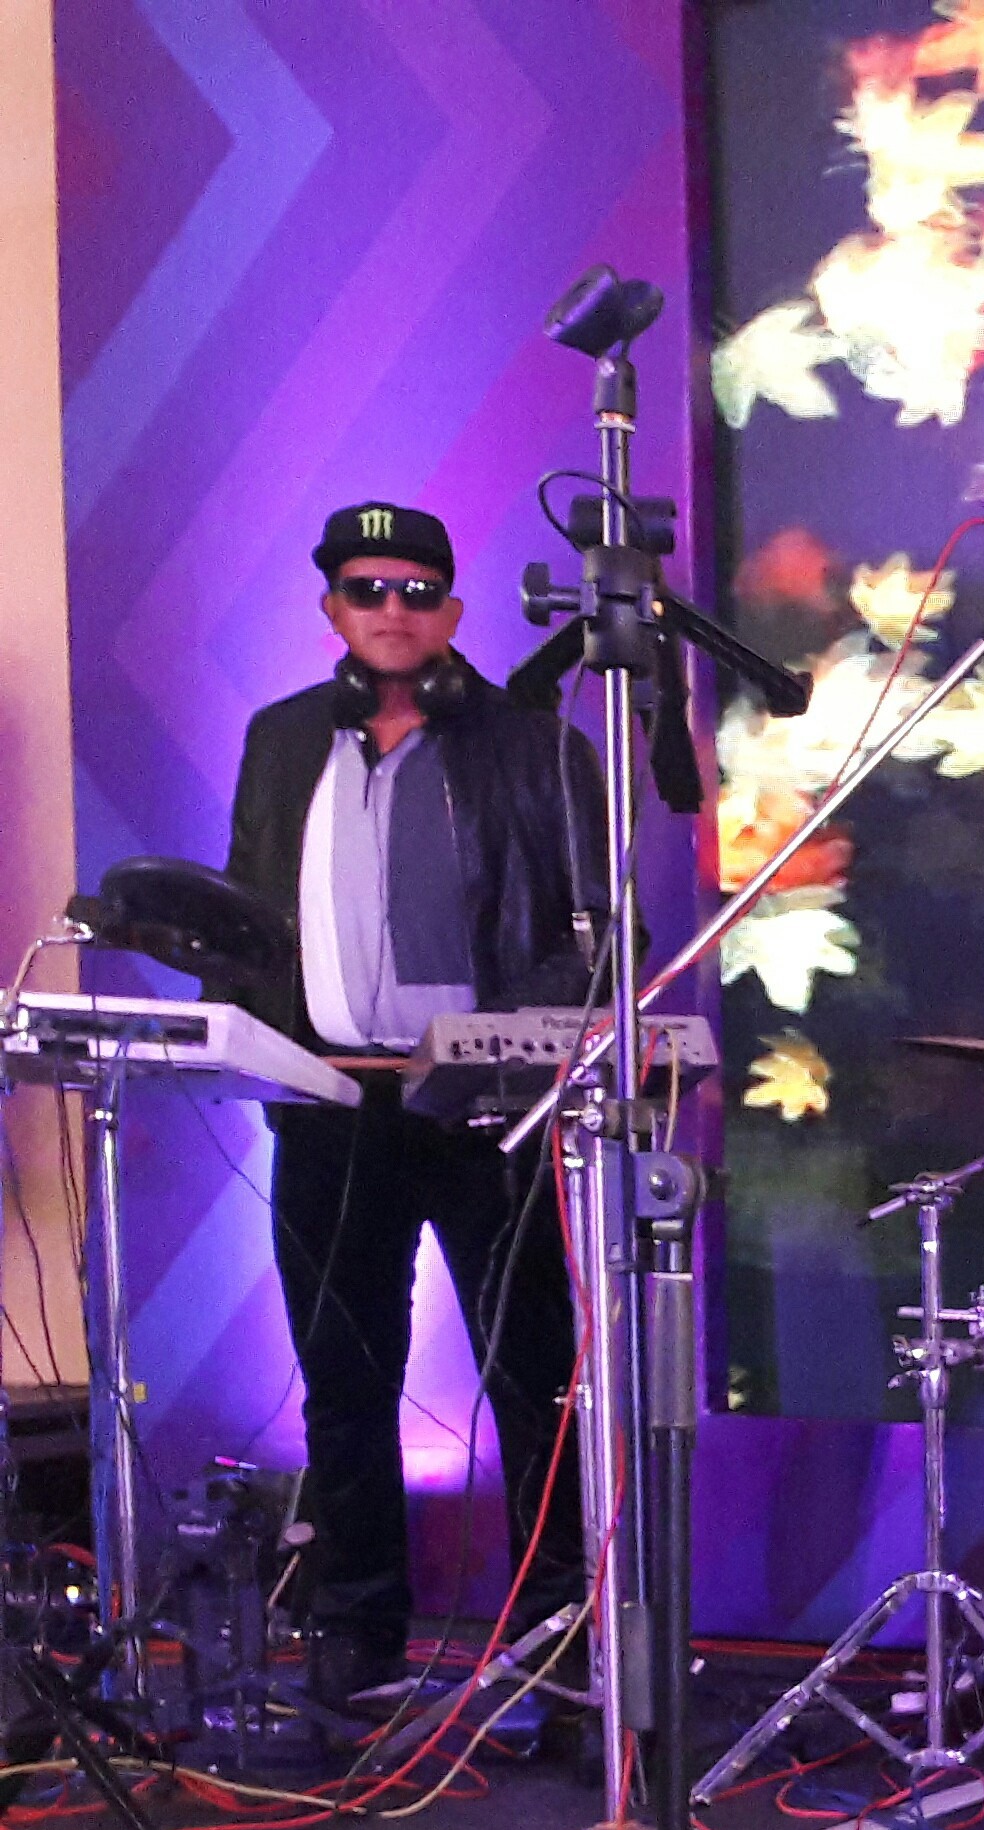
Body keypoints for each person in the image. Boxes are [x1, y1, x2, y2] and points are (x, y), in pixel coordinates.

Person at [221, 501, 598, 1718]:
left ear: (453, 610)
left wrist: (491, 1052)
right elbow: (248, 913)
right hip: (331, 1106)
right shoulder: (282, 739)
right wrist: (253, 1034)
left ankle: (556, 1639)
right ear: (330, 607)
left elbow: (596, 942)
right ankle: (356, 1631)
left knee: (533, 1383)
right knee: (343, 1382)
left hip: (486, 1115)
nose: (391, 609)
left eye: (416, 590)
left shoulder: (535, 746)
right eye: (366, 588)